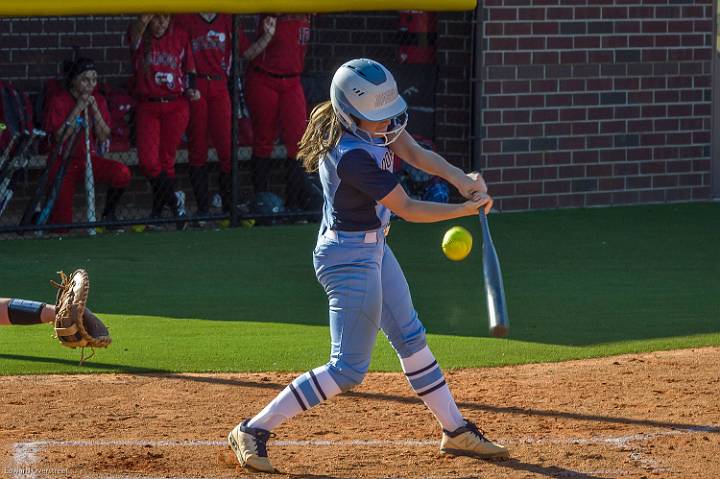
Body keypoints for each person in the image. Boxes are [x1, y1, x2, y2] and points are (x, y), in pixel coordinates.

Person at [226, 58, 508, 474]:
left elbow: (412, 150)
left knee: (411, 337)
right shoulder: (351, 156)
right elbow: (408, 208)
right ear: (350, 114)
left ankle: (455, 430)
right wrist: (466, 209)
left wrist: (458, 178)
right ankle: (252, 429)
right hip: (348, 259)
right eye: (377, 119)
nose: (386, 125)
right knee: (348, 369)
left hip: (374, 250)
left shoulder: (373, 126)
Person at [173, 13, 277, 221]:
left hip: (220, 86)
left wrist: (267, 36)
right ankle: (203, 209)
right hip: (197, 87)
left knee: (227, 148)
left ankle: (229, 208)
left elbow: (246, 53)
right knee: (198, 148)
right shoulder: (185, 18)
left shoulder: (228, 18)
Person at [239, 14, 321, 214]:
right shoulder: (271, 10)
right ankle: (263, 204)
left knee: (299, 141)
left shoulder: (307, 9)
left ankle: (293, 204)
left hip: (292, 80)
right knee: (263, 140)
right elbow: (248, 54)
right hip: (264, 77)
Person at [128, 14, 200, 228]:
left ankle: (158, 214)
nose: (160, 23)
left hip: (175, 104)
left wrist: (192, 87)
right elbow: (137, 30)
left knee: (166, 161)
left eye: (165, 19)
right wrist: (145, 17)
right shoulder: (139, 34)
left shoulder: (179, 35)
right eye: (156, 19)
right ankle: (175, 202)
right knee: (149, 161)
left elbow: (190, 68)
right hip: (148, 104)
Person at [44, 57, 131, 228]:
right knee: (62, 225)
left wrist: (94, 108)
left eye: (94, 79)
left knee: (122, 173)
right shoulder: (59, 100)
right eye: (85, 79)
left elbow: (104, 135)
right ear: (73, 80)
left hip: (88, 159)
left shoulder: (97, 99)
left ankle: (109, 215)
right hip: (63, 162)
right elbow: (60, 136)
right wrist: (78, 107)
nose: (91, 84)